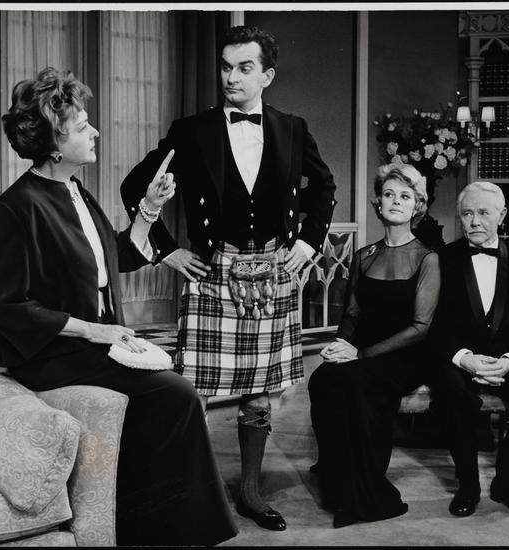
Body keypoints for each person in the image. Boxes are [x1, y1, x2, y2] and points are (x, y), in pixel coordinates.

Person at [0, 67, 237, 546]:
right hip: (51, 355)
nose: (95, 131)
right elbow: (8, 306)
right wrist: (94, 331)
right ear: (54, 144)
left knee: (169, 392)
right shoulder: (14, 208)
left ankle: (146, 526)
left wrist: (149, 208)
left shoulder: (76, 191)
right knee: (178, 394)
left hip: (93, 343)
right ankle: (181, 533)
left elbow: (110, 260)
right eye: (83, 126)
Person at [120, 25, 336, 531]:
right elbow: (135, 186)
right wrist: (167, 251)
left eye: (244, 68)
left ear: (267, 75)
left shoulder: (292, 128)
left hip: (273, 271)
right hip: (214, 270)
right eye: (225, 66)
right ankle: (188, 490)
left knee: (260, 390)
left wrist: (307, 244)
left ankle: (252, 491)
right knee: (191, 388)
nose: (231, 77)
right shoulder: (191, 130)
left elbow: (324, 188)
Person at [308, 163, 440, 528]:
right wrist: (340, 344)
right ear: (378, 203)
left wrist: (360, 354)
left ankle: (364, 494)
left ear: (417, 206)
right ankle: (338, 481)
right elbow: (352, 313)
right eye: (389, 194)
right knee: (322, 379)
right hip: (362, 351)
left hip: (406, 356)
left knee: (355, 381)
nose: (396, 201)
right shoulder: (363, 255)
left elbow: (420, 328)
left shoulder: (427, 258)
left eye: (405, 196)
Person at [430, 181, 509, 519]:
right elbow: (434, 325)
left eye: (484, 213)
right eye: (467, 213)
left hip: (508, 361)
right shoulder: (442, 259)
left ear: (502, 215)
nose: (474, 221)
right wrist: (465, 359)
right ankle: (468, 485)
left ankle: (507, 484)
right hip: (460, 360)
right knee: (452, 395)